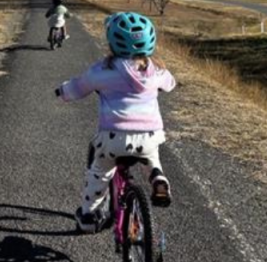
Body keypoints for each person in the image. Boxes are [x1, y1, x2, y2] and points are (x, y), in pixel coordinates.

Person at [55, 12, 176, 233]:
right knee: (151, 156)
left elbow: (77, 88)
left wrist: (62, 91)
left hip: (113, 137)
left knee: (100, 173)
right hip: (149, 134)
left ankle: (88, 215)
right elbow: (171, 84)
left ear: (112, 41)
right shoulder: (156, 70)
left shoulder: (103, 71)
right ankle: (158, 177)